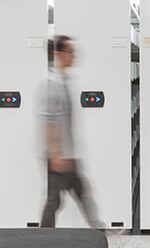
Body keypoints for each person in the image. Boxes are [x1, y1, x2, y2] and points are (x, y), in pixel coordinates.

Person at [38, 35, 102, 228]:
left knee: (76, 193)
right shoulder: (52, 84)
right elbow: (49, 121)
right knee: (55, 200)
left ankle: (96, 228)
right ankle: (96, 229)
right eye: (70, 51)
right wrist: (56, 154)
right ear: (58, 54)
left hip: (66, 154)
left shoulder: (63, 80)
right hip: (58, 156)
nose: (74, 56)